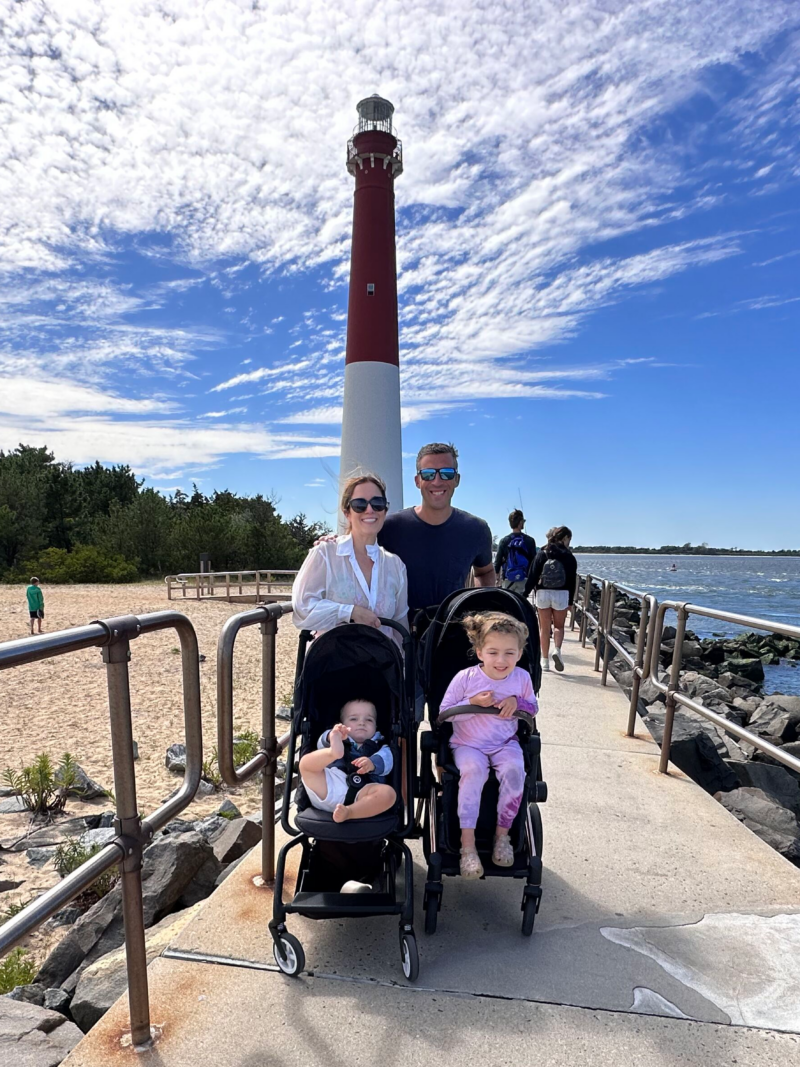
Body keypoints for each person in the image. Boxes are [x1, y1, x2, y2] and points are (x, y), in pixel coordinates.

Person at [439, 612, 537, 878]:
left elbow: (533, 708)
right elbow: (444, 713)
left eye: (509, 653)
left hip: (504, 742)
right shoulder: (466, 678)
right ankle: (467, 845)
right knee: (473, 772)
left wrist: (518, 703)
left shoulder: (521, 679)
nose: (501, 660)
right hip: (468, 743)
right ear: (480, 652)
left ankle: (502, 835)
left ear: (519, 654)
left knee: (515, 771)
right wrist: (473, 703)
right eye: (493, 653)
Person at [377, 442, 495, 618]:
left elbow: (485, 572)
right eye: (428, 474)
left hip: (453, 630)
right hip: (398, 631)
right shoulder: (389, 528)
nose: (437, 481)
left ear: (457, 479)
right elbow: (355, 555)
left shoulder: (476, 530)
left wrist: (479, 608)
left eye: (446, 473)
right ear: (417, 481)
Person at [293, 472, 408, 646]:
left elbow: (400, 623)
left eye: (377, 503)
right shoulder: (325, 553)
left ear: (385, 510)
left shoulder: (395, 565)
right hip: (333, 660)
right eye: (359, 504)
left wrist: (404, 661)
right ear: (347, 512)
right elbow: (302, 607)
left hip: (382, 662)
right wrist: (349, 612)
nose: (369, 510)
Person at [299, 699, 396, 823]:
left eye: (369, 720)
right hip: (330, 784)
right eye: (353, 719)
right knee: (306, 763)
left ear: (376, 726)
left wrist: (372, 763)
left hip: (362, 793)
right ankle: (333, 753)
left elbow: (387, 761)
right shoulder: (337, 736)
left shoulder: (381, 747)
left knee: (388, 794)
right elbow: (321, 743)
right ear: (342, 724)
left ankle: (350, 812)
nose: (361, 723)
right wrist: (333, 735)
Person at [524, 526, 577, 674]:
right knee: (559, 626)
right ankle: (557, 650)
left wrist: (525, 594)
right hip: (561, 595)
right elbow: (572, 581)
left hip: (543, 594)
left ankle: (545, 661)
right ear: (565, 538)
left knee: (544, 628)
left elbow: (533, 575)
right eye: (569, 539)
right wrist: (570, 602)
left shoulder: (543, 553)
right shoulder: (569, 556)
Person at [494, 510, 536, 595]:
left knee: (508, 602)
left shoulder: (504, 541)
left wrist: (497, 577)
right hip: (524, 578)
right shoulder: (530, 541)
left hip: (508, 578)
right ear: (520, 522)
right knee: (521, 602)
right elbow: (534, 562)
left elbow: (497, 561)